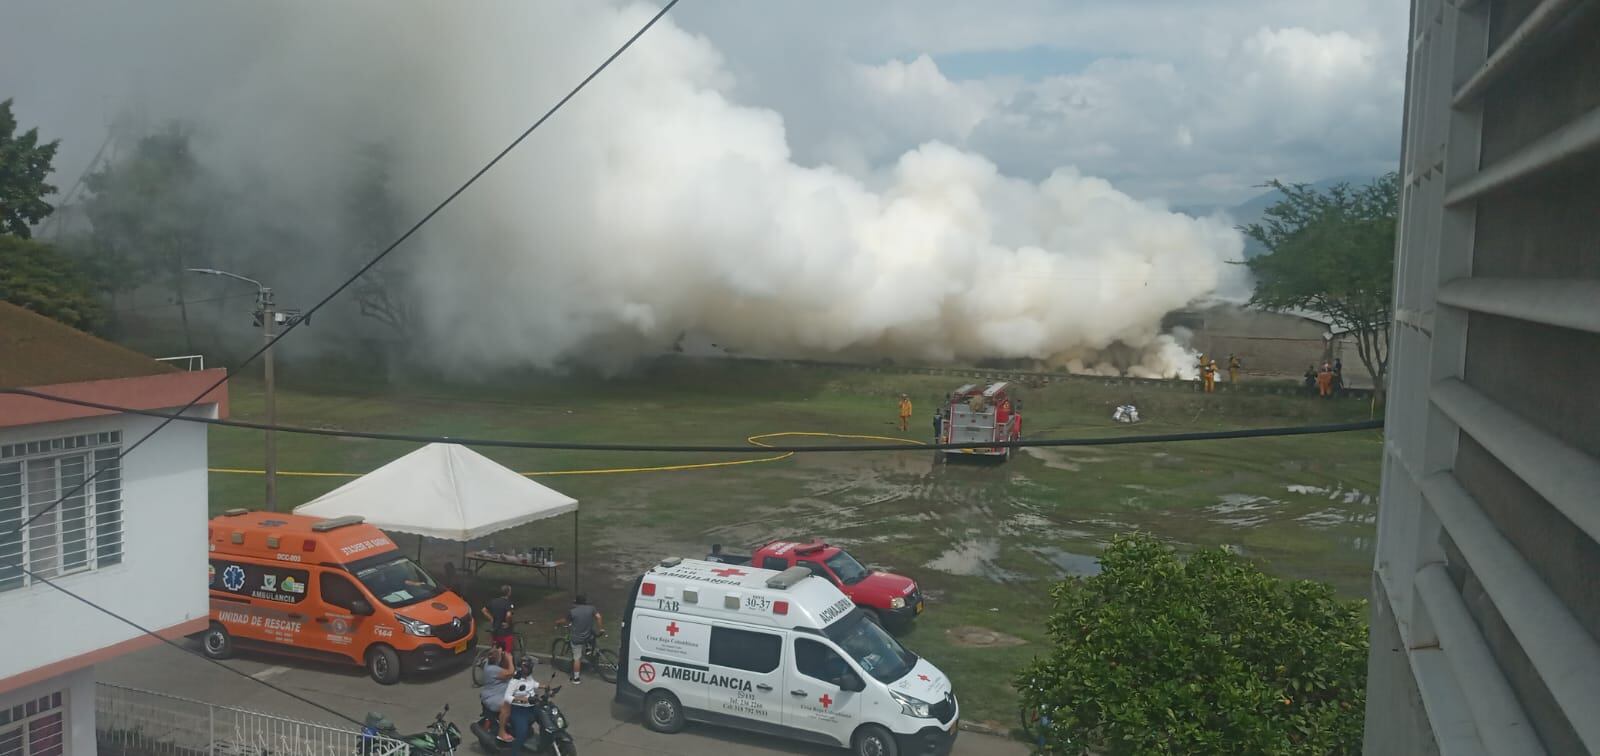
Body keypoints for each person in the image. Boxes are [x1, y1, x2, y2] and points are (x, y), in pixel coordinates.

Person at [558, 594, 603, 684]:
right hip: (589, 636)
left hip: (577, 639)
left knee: (577, 658)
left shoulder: (572, 612)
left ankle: (576, 679)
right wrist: (601, 628)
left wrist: (557, 622)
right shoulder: (592, 608)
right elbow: (599, 617)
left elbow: (565, 620)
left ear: (576, 603)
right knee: (589, 639)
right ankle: (588, 649)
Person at [502, 657, 542, 751]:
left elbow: (533, 684)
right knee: (522, 733)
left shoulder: (528, 677)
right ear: (521, 668)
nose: (529, 669)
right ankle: (514, 752)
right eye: (527, 667)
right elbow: (507, 697)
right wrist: (523, 700)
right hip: (519, 710)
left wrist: (545, 686)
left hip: (531, 707)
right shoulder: (514, 681)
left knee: (544, 717)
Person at [478, 648, 516, 742]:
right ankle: (501, 733)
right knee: (507, 706)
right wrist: (509, 659)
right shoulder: (494, 670)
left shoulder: (488, 663)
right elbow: (511, 672)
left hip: (493, 693)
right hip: (493, 697)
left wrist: (499, 652)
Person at [481, 585, 515, 657]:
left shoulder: (493, 601)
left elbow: (484, 610)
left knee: (495, 648)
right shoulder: (508, 603)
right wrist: (508, 623)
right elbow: (508, 615)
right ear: (508, 593)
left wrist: (491, 619)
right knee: (507, 652)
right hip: (505, 632)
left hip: (495, 629)